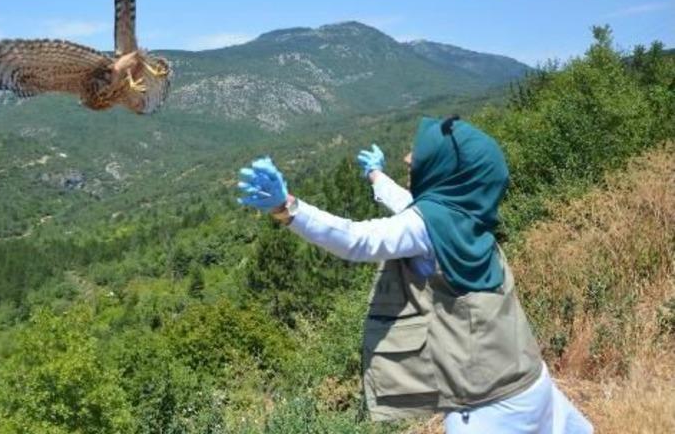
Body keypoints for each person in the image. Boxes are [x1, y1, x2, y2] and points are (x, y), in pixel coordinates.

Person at [237, 117, 593, 433]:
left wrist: (288, 208)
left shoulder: (428, 225)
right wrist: (376, 175)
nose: (409, 159)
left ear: (445, 168)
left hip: (488, 407)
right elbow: (414, 208)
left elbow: (358, 240)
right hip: (532, 382)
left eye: (419, 155)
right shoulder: (470, 212)